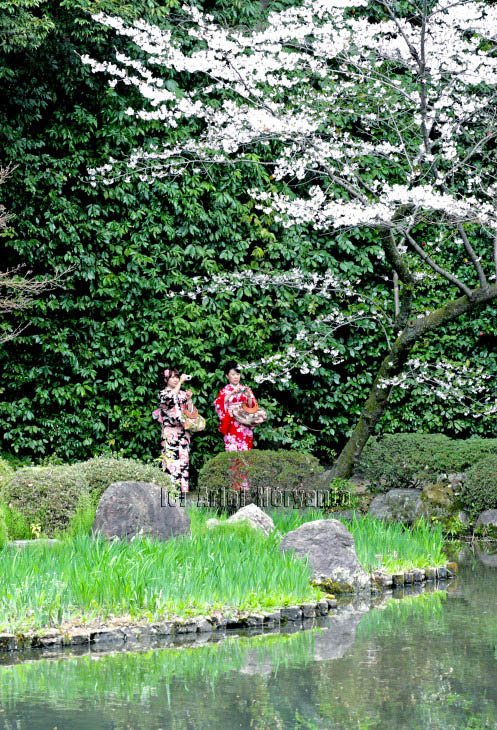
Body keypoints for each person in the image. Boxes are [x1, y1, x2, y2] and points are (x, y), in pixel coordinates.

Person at [153, 367, 195, 493]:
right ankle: (170, 491)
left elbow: (191, 413)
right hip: (170, 432)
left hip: (183, 433)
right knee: (171, 461)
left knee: (183, 462)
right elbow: (169, 399)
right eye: (173, 377)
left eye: (177, 377)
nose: (176, 380)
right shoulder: (163, 394)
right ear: (166, 379)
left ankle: (182, 493)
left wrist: (189, 399)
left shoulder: (182, 394)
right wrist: (181, 382)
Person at [213, 362, 258, 451]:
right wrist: (232, 393)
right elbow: (219, 403)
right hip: (231, 424)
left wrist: (249, 396)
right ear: (227, 376)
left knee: (246, 452)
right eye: (233, 374)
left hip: (245, 424)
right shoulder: (225, 391)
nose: (236, 377)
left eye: (238, 374)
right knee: (233, 452)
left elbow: (252, 406)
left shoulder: (244, 389)